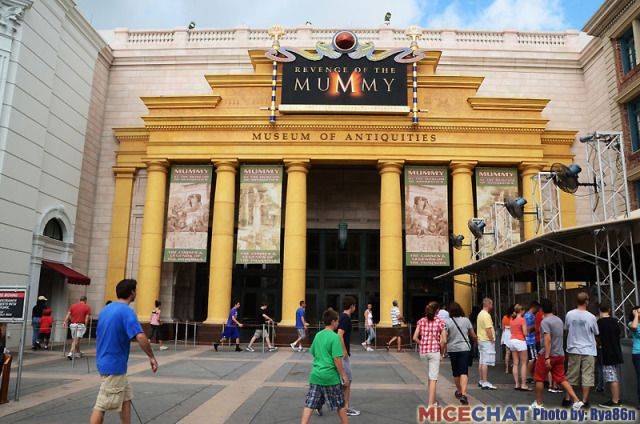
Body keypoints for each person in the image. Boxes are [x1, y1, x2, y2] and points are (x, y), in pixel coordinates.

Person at [90, 279, 158, 424]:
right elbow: (140, 336)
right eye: (136, 290)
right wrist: (151, 357)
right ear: (132, 292)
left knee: (125, 398)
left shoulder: (106, 310)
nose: (136, 293)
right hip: (114, 365)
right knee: (102, 405)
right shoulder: (127, 311)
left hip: (105, 360)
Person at [530, 298, 584, 410]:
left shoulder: (545, 322)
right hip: (560, 354)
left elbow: (547, 339)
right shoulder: (559, 320)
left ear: (542, 309)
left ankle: (539, 403)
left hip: (548, 354)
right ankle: (576, 400)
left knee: (539, 378)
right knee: (562, 378)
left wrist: (547, 357)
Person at [300, 309, 348, 424]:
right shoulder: (335, 337)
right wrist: (343, 375)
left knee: (309, 404)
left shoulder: (318, 335)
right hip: (331, 377)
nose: (338, 323)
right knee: (340, 405)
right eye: (337, 321)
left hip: (316, 375)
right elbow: (337, 359)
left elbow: (313, 352)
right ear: (333, 321)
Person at [563, 292, 599, 408]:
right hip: (588, 349)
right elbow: (596, 332)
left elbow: (566, 328)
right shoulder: (591, 317)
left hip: (573, 348)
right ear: (587, 301)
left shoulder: (569, 314)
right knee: (587, 376)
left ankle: (568, 398)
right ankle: (584, 401)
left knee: (571, 375)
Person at [413, 301, 447, 408]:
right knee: (433, 379)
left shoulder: (421, 321)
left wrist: (422, 343)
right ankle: (430, 404)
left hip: (423, 352)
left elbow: (415, 337)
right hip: (434, 351)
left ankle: (434, 401)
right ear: (437, 310)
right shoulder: (440, 322)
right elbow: (444, 341)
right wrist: (442, 353)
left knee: (429, 377)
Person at [444, 302, 476, 405]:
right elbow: (472, 335)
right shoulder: (466, 320)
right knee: (464, 371)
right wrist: (476, 341)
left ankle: (459, 391)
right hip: (464, 349)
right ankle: (464, 394)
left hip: (452, 349)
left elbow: (445, 336)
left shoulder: (447, 322)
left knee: (456, 372)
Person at [596, 303, 623, 408]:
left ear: (599, 310)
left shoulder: (599, 322)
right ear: (609, 309)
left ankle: (615, 401)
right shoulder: (614, 321)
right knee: (614, 376)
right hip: (616, 351)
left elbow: (597, 337)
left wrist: (599, 344)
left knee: (612, 377)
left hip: (607, 352)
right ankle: (617, 398)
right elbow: (618, 333)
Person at [337, 296, 359, 417]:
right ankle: (345, 407)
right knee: (347, 381)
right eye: (355, 305)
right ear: (352, 306)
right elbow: (340, 335)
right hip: (342, 355)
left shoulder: (341, 317)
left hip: (339, 353)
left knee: (339, 381)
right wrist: (345, 351)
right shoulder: (345, 318)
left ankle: (319, 403)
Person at [477, 298, 497, 390]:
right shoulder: (486, 315)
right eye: (491, 304)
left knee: (482, 361)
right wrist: (492, 339)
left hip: (481, 339)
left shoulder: (480, 314)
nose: (492, 306)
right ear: (488, 304)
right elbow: (488, 329)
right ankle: (485, 382)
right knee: (485, 361)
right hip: (486, 340)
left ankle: (481, 380)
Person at [510, 304, 530, 391]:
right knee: (524, 363)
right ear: (521, 311)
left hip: (512, 341)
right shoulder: (522, 320)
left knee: (515, 363)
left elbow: (511, 331)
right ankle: (523, 384)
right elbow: (525, 333)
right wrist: (528, 332)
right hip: (520, 341)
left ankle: (516, 384)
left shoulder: (512, 320)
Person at [524, 301, 540, 384]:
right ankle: (528, 376)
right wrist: (536, 326)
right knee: (532, 359)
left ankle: (530, 375)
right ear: (534, 307)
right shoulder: (529, 316)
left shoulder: (528, 315)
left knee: (532, 358)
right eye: (537, 308)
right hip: (530, 340)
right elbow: (528, 329)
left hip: (530, 340)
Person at [629, 305, 640, 410]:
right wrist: (636, 315)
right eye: (638, 312)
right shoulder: (631, 323)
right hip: (638, 354)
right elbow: (635, 327)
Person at [501, 305, 513, 374]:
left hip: (506, 334)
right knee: (514, 353)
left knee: (507, 352)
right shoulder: (514, 318)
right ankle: (514, 367)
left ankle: (507, 369)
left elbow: (503, 328)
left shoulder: (505, 317)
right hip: (513, 334)